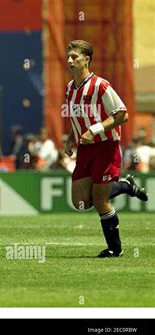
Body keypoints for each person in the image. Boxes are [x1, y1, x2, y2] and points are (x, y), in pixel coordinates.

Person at [63, 40, 148, 258]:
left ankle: (115, 249)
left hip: (105, 147)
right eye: (69, 56)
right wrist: (71, 137)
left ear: (87, 60)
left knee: (100, 201)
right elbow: (77, 116)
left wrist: (95, 129)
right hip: (84, 149)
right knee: (80, 202)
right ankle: (125, 185)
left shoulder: (101, 85)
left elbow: (122, 114)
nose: (70, 60)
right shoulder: (70, 88)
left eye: (75, 57)